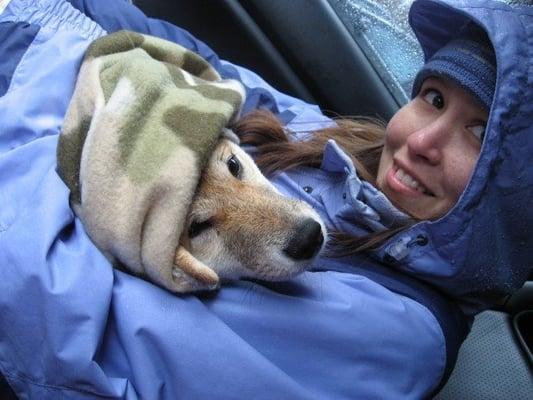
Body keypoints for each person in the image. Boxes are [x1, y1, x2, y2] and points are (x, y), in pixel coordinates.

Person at [0, 0, 530, 399]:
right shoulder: (341, 148)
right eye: (433, 98)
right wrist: (44, 14)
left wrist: (28, 68)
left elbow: (58, 312)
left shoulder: (394, 335)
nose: (420, 141)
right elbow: (212, 78)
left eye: (479, 134)